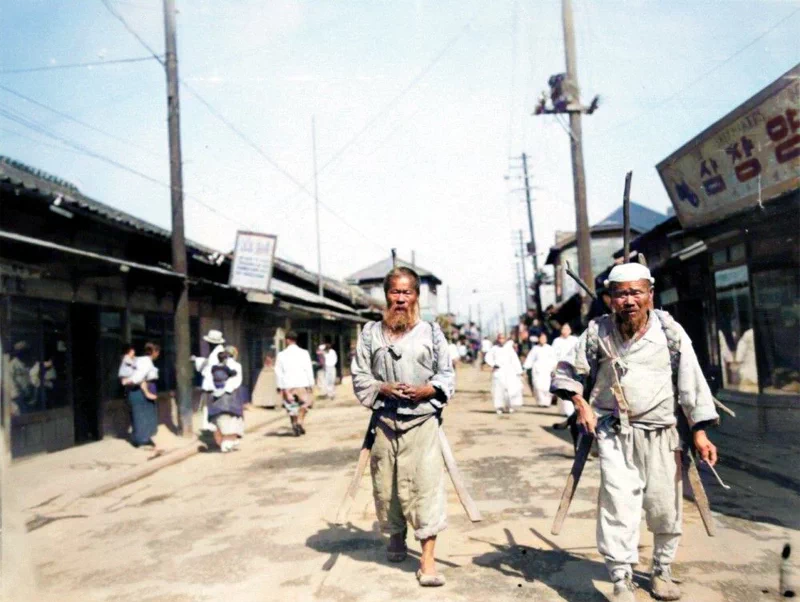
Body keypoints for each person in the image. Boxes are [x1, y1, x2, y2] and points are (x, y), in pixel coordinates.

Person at [551, 263, 720, 602]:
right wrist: (579, 402)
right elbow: (566, 372)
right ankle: (621, 577)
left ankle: (662, 570)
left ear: (650, 295)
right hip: (615, 433)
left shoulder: (670, 334)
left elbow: (692, 384)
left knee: (665, 504)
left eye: (635, 292)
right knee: (618, 502)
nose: (628, 300)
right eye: (621, 294)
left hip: (663, 433)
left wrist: (699, 432)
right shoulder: (597, 333)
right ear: (610, 298)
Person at [351, 266, 454, 587]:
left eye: (406, 292)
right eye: (395, 292)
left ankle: (427, 561)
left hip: (423, 421)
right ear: (386, 296)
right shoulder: (370, 333)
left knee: (425, 486)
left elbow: (447, 374)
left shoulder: (432, 332)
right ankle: (396, 536)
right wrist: (382, 387)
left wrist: (428, 389)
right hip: (384, 421)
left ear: (416, 297)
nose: (400, 299)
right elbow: (360, 375)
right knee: (386, 485)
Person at [275, 331, 315, 436]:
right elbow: (308, 369)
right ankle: (300, 422)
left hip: (288, 385)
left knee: (291, 407)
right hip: (302, 383)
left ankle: (294, 424)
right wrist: (311, 384)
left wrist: (280, 386)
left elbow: (279, 372)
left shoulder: (281, 355)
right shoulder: (304, 353)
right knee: (304, 405)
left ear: (287, 340)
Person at [206, 346, 244, 452]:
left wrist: (217, 391)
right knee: (232, 420)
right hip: (231, 397)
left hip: (216, 397)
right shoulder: (236, 366)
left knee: (218, 420)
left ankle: (222, 441)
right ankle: (228, 442)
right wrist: (226, 389)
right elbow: (236, 381)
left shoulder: (214, 366)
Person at [123, 342, 161, 449]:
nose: (158, 354)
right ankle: (141, 440)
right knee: (141, 415)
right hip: (141, 390)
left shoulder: (140, 360)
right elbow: (138, 377)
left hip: (142, 389)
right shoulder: (145, 362)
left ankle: (144, 438)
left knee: (145, 415)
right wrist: (143, 387)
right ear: (154, 352)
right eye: (157, 351)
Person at [193, 329, 227, 430]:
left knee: (210, 405)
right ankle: (208, 422)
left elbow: (209, 367)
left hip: (213, 383)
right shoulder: (218, 352)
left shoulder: (217, 353)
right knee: (207, 405)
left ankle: (212, 423)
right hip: (216, 383)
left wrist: (197, 361)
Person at [484, 333, 524, 415]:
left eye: (503, 338)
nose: (501, 340)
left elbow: (515, 361)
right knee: (498, 391)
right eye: (500, 338)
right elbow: (487, 358)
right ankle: (499, 407)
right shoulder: (494, 349)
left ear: (505, 339)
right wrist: (493, 364)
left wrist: (519, 371)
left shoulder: (510, 349)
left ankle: (510, 406)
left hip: (510, 372)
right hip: (498, 372)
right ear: (497, 339)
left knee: (510, 390)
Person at [523, 332, 558, 407]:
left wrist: (554, 368)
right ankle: (540, 402)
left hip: (547, 371)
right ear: (539, 339)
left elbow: (554, 359)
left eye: (544, 338)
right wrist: (525, 368)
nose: (542, 340)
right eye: (541, 338)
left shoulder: (550, 348)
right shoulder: (535, 349)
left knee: (547, 387)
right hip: (537, 371)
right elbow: (530, 359)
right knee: (538, 387)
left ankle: (547, 403)